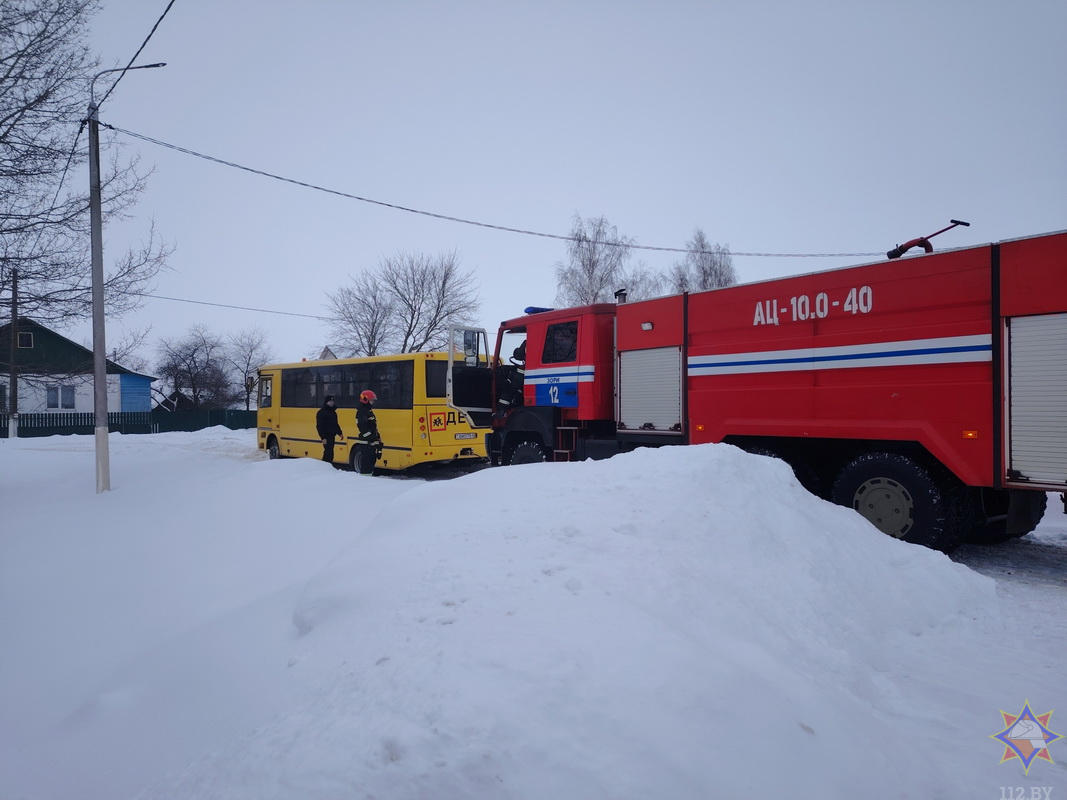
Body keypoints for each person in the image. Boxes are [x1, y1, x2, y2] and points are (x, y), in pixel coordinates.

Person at [316, 395, 344, 463]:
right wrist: (323, 437)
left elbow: (335, 424)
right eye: (330, 401)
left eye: (332, 401)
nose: (332, 403)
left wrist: (340, 433)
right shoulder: (321, 412)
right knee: (328, 452)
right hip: (326, 435)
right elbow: (319, 426)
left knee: (330, 452)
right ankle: (325, 466)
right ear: (326, 402)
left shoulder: (333, 412)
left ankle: (327, 466)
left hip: (332, 435)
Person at [356, 389, 383, 460]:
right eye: (371, 400)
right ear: (366, 400)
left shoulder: (368, 411)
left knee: (371, 461)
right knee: (367, 462)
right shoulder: (362, 412)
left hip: (369, 441)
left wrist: (377, 436)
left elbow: (372, 426)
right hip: (366, 442)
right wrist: (373, 438)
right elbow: (363, 428)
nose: (373, 402)